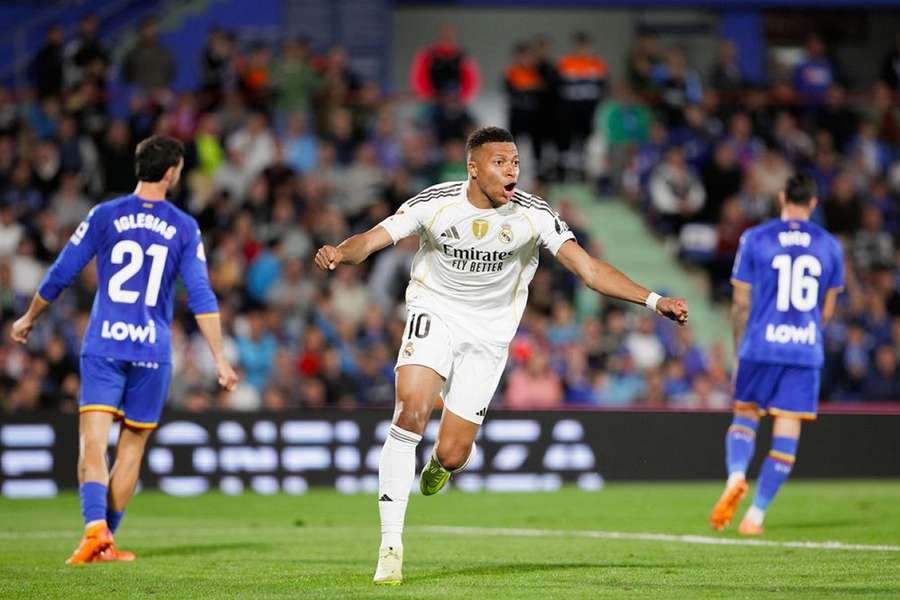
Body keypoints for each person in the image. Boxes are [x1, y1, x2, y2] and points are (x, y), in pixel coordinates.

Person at [314, 126, 689, 584]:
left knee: (453, 453)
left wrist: (654, 300)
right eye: (500, 162)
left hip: (489, 337)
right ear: (473, 168)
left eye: (515, 162)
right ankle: (390, 546)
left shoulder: (534, 214)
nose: (512, 170)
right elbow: (373, 239)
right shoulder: (436, 202)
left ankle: (442, 464)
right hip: (435, 312)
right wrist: (340, 252)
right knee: (410, 411)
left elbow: (589, 270)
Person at [9, 136, 238, 563]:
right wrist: (220, 358)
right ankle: (105, 538)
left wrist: (30, 317)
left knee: (93, 442)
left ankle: (95, 532)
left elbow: (62, 271)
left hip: (105, 344)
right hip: (152, 351)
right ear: (170, 173)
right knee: (131, 447)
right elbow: (202, 295)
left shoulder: (105, 214)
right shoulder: (185, 226)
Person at [709, 173, 844, 535]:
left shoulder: (755, 238)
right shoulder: (830, 245)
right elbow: (827, 311)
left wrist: (741, 349)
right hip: (803, 349)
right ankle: (756, 516)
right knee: (787, 431)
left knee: (745, 416)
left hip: (761, 345)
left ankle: (736, 476)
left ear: (782, 198)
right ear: (813, 202)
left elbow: (741, 304)